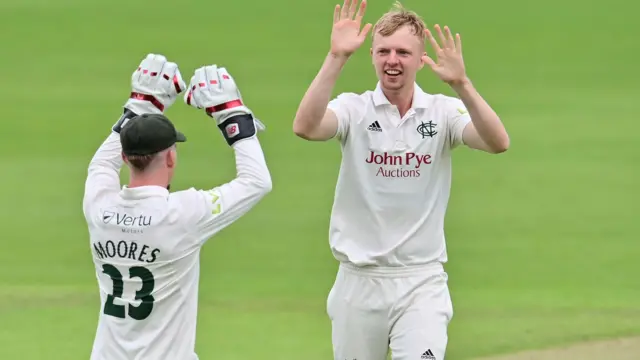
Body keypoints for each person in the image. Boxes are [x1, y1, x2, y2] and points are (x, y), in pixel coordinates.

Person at [292, 0, 509, 359]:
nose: (392, 60)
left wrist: (462, 84)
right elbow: (306, 127)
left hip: (420, 280)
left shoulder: (442, 111)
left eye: (403, 52)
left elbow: (497, 142)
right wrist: (336, 57)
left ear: (421, 57)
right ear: (373, 56)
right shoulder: (354, 108)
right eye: (383, 51)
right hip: (359, 281)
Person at [83, 53, 272, 360]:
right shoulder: (182, 214)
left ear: (127, 157)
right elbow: (256, 181)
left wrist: (140, 107)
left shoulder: (98, 205)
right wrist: (231, 114)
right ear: (171, 157)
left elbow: (101, 164)